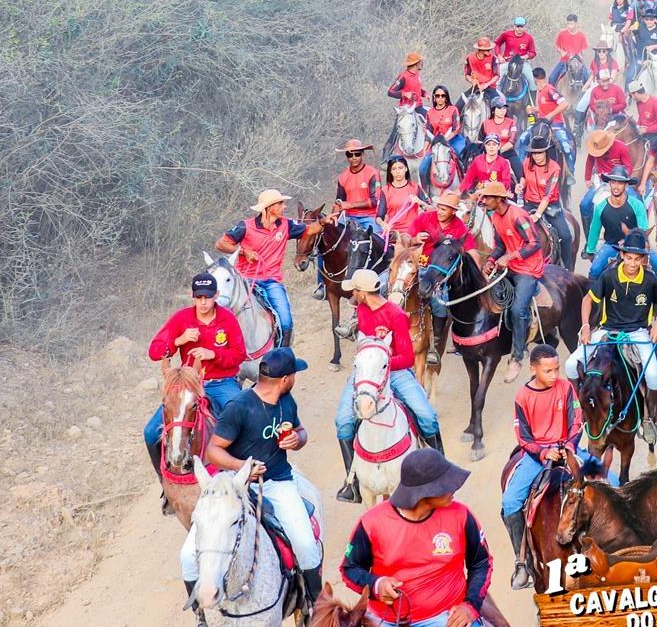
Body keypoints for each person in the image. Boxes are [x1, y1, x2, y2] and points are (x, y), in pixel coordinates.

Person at [342, 449, 510, 627]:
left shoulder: (461, 515)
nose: (454, 487)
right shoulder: (372, 523)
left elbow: (481, 563)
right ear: (424, 493)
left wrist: (470, 607)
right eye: (446, 483)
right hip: (385, 621)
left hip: (446, 620)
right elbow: (350, 569)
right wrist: (376, 584)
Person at [194, 347, 323, 627]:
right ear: (285, 379)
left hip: (278, 481)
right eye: (294, 374)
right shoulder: (239, 407)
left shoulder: (286, 401)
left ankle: (315, 607)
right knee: (189, 552)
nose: (295, 379)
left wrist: (297, 439)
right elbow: (213, 450)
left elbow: (301, 431)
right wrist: (243, 467)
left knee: (305, 544)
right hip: (236, 485)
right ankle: (202, 618)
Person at [333, 269, 443, 500]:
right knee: (343, 420)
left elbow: (408, 358)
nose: (352, 294)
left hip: (395, 370)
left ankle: (439, 472)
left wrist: (382, 363)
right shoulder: (361, 309)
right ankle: (352, 481)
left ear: (363, 292)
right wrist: (369, 364)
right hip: (367, 371)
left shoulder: (396, 315)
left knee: (427, 415)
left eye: (354, 290)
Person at [142, 271, 247, 496]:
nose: (203, 302)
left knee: (243, 421)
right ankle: (166, 484)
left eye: (207, 297)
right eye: (199, 297)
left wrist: (213, 354)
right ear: (193, 297)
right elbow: (154, 351)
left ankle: (244, 478)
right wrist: (178, 341)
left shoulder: (227, 319)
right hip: (188, 385)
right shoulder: (182, 319)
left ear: (216, 295)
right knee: (151, 432)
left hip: (221, 383)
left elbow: (239, 354)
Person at [565, 231, 657, 444]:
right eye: (628, 258)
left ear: (643, 259)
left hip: (638, 332)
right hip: (607, 330)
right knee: (570, 365)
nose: (632, 263)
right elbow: (587, 300)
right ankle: (578, 408)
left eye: (637, 259)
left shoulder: (650, 280)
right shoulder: (608, 276)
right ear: (622, 255)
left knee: (652, 376)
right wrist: (586, 326)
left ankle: (649, 418)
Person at [499, 344, 585, 587]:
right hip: (537, 455)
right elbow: (523, 438)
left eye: (557, 369)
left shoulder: (566, 388)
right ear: (533, 369)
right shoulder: (522, 397)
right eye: (548, 371)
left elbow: (577, 422)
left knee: (611, 480)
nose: (554, 375)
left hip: (567, 449)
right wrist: (544, 452)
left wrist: (569, 446)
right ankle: (522, 561)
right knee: (510, 502)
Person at [214, 189, 324, 348]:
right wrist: (244, 251)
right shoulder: (245, 226)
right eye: (280, 203)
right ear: (269, 208)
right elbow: (221, 244)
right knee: (224, 315)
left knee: (286, 322)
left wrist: (324, 222)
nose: (284, 206)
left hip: (272, 281)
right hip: (245, 280)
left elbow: (309, 230)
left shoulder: (286, 224)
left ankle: (283, 354)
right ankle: (221, 351)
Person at [477, 181, 550, 380]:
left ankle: (518, 355)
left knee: (518, 309)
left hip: (528, 269)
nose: (484, 201)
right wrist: (491, 260)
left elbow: (534, 243)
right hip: (510, 267)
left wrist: (509, 257)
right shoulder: (495, 216)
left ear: (499, 199)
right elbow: (500, 245)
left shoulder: (518, 215)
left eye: (487, 197)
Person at [403, 190, 472, 364]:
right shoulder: (424, 218)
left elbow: (470, 250)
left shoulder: (459, 228)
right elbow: (405, 236)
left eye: (444, 209)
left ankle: (434, 344)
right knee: (391, 286)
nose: (439, 211)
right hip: (416, 265)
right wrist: (414, 239)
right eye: (439, 207)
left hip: (439, 274)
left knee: (440, 303)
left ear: (453, 212)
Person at [584, 169, 657, 279]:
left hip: (637, 246)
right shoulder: (600, 207)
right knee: (594, 270)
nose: (616, 187)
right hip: (612, 245)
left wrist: (628, 241)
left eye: (620, 183)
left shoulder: (637, 205)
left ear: (626, 186)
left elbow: (642, 231)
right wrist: (590, 250)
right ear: (609, 184)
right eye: (613, 182)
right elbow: (594, 231)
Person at [518, 140, 574, 266]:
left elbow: (547, 196)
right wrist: (521, 185)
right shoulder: (526, 162)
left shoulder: (555, 168)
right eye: (534, 153)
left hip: (550, 206)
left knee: (565, 236)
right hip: (529, 204)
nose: (536, 156)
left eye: (539, 153)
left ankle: (567, 268)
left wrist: (537, 215)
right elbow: (523, 177)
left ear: (546, 152)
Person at [549, 14, 588, 85]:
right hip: (564, 61)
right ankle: (551, 91)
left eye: (571, 24)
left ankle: (586, 91)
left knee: (587, 77)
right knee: (551, 78)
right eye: (568, 24)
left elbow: (583, 49)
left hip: (578, 62)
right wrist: (561, 52)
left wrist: (580, 56)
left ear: (576, 24)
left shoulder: (581, 35)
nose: (569, 26)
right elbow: (557, 46)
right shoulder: (562, 34)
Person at [426, 85, 465, 156]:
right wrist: (424, 149)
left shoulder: (453, 109)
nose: (440, 98)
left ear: (446, 97)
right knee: (424, 163)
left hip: (453, 140)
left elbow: (456, 128)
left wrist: (444, 140)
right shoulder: (429, 113)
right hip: (436, 142)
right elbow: (428, 131)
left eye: (443, 96)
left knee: (463, 155)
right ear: (434, 97)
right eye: (437, 96)